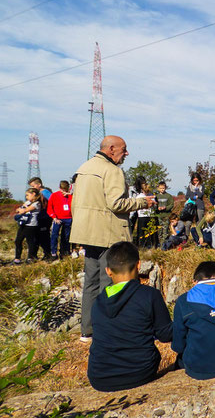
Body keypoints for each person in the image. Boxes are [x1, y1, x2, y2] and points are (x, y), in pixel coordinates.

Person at [71, 136, 153, 342]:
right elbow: (116, 204)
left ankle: (87, 330)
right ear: (111, 149)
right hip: (108, 232)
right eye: (124, 150)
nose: (126, 154)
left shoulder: (84, 168)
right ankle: (104, 329)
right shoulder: (112, 170)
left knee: (90, 282)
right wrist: (141, 202)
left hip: (87, 232)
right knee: (109, 282)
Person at [87, 241, 172, 391]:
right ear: (138, 265)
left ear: (108, 271)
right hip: (140, 372)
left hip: (99, 377)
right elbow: (165, 335)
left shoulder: (98, 302)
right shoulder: (149, 295)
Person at [13, 188, 41, 264]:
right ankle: (17, 258)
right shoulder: (28, 202)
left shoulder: (37, 204)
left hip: (31, 225)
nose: (26, 197)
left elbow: (24, 210)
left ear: (33, 194)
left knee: (30, 242)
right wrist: (22, 208)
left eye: (27, 195)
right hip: (23, 224)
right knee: (18, 240)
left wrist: (23, 208)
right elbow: (18, 210)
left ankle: (30, 257)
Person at [28, 177, 52, 260]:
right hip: (39, 217)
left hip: (45, 217)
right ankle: (34, 255)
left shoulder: (45, 192)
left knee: (44, 236)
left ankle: (48, 254)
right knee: (37, 236)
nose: (32, 188)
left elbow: (53, 201)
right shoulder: (36, 194)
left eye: (33, 186)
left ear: (39, 185)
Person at [46, 180, 72, 259]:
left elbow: (73, 205)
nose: (63, 192)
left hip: (68, 218)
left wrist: (70, 195)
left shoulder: (70, 196)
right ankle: (53, 252)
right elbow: (49, 208)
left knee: (66, 236)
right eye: (62, 190)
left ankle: (65, 251)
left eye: (65, 190)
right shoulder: (54, 195)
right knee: (54, 235)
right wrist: (54, 217)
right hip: (57, 218)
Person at [135, 181, 156, 249]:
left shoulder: (151, 195)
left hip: (150, 216)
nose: (146, 193)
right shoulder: (139, 196)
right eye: (145, 191)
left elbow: (155, 205)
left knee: (151, 232)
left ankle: (151, 245)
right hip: (142, 216)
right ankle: (141, 246)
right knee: (141, 232)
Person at [185, 173, 206, 238]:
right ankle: (186, 238)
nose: (195, 182)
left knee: (199, 223)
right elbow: (187, 196)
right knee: (188, 223)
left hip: (200, 206)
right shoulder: (189, 187)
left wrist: (196, 189)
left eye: (197, 180)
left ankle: (199, 237)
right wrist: (194, 197)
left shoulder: (202, 186)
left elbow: (200, 195)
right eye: (194, 180)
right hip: (191, 206)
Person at [154, 181, 175, 245]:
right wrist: (157, 208)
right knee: (159, 230)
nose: (162, 189)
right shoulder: (156, 196)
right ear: (158, 188)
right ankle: (159, 243)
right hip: (159, 216)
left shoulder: (169, 196)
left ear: (165, 188)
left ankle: (164, 244)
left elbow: (171, 205)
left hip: (166, 215)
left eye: (163, 188)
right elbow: (154, 204)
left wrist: (165, 208)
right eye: (160, 188)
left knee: (165, 230)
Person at [128, 176, 147, 241]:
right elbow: (130, 199)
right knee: (131, 227)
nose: (144, 185)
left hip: (140, 212)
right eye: (143, 183)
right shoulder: (131, 190)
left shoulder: (142, 191)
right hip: (132, 211)